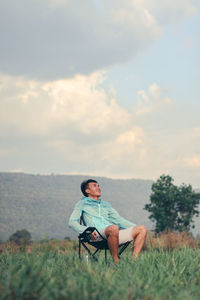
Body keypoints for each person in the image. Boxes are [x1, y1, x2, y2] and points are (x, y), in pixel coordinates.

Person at [69, 179, 147, 263]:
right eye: (95, 186)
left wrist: (135, 228)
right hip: (95, 235)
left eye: (98, 186)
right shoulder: (82, 204)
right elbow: (72, 222)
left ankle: (133, 262)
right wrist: (87, 231)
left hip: (112, 234)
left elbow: (120, 221)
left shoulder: (106, 205)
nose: (98, 188)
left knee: (142, 229)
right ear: (87, 190)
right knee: (113, 228)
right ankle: (116, 262)